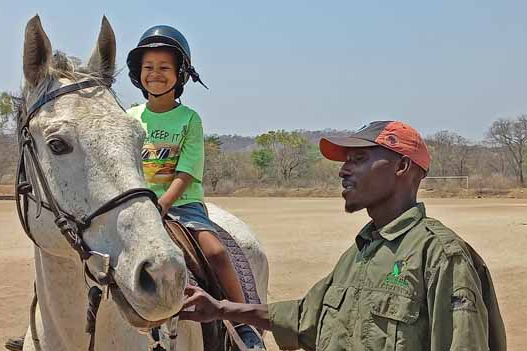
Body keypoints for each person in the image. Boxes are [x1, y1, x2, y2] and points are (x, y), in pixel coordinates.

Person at [179, 121, 506, 351]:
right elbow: (305, 318)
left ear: (402, 167)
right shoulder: (358, 255)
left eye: (360, 159)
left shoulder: (440, 256)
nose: (344, 169)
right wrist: (221, 309)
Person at [126, 25, 264, 349]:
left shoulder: (189, 119)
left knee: (215, 253)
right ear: (138, 73)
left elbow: (186, 170)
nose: (155, 74)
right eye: (149, 67)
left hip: (182, 205)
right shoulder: (130, 117)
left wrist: (162, 203)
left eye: (164, 68)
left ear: (180, 74)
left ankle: (244, 321)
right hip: (136, 205)